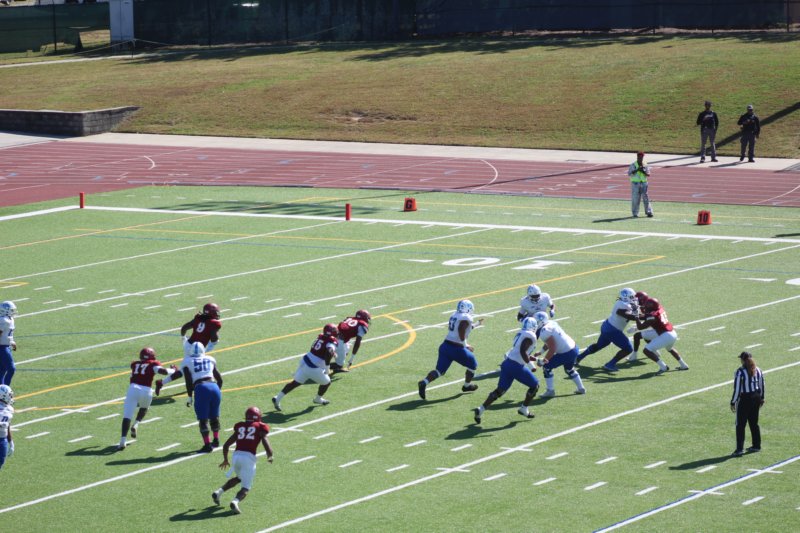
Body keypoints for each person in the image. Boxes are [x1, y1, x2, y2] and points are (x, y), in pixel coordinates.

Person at [473, 317, 539, 424]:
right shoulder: (530, 335)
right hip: (516, 366)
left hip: (507, 363)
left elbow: (522, 352)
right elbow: (522, 351)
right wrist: (531, 365)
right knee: (535, 385)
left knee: (500, 390)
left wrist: (536, 360)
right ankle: (524, 408)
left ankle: (481, 409)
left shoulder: (521, 333)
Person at [212, 406, 273, 515]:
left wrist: (225, 459)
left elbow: (226, 445)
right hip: (248, 458)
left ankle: (218, 492)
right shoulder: (260, 427)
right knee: (246, 487)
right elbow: (264, 440)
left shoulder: (240, 426)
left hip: (236, 456)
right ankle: (235, 502)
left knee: (240, 477)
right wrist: (270, 455)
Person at [418, 299, 484, 400]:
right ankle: (466, 386)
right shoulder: (466, 317)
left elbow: (465, 328)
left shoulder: (455, 315)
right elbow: (461, 330)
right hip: (456, 348)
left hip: (445, 346)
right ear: (468, 308)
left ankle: (424, 382)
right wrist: (465, 345)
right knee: (473, 364)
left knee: (439, 371)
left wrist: (477, 324)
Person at [156, 302, 222, 396]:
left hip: (189, 345)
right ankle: (163, 382)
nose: (217, 313)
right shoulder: (214, 323)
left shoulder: (198, 318)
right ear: (211, 313)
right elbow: (214, 338)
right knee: (187, 369)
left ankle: (164, 381)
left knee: (187, 368)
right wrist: (212, 345)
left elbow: (184, 328)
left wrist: (183, 338)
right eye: (216, 312)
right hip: (199, 349)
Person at [117, 347, 175, 451]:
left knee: (127, 416)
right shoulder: (153, 364)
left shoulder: (134, 364)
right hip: (146, 390)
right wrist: (174, 370)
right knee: (144, 408)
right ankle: (136, 424)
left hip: (133, 389)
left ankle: (122, 441)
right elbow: (164, 371)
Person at [272, 324, 339, 411]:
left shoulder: (321, 336)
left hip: (305, 361)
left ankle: (277, 398)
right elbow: (329, 351)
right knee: (327, 382)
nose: (337, 332)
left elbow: (323, 349)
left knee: (295, 383)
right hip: (313, 367)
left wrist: (332, 353)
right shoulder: (332, 341)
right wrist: (327, 367)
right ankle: (317, 399)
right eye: (335, 331)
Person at [575, 288, 639, 371]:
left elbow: (634, 311)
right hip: (613, 330)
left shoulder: (622, 302)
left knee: (599, 345)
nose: (634, 298)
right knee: (628, 348)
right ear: (627, 297)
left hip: (607, 326)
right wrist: (644, 316)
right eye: (632, 297)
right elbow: (630, 316)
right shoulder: (624, 305)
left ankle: (579, 357)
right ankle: (610, 364)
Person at [624, 297, 688, 373]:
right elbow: (647, 315)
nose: (645, 307)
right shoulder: (659, 308)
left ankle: (663, 366)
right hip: (672, 333)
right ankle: (683, 365)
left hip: (665, 335)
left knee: (646, 350)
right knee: (670, 349)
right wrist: (638, 311)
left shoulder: (652, 316)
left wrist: (636, 316)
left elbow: (640, 327)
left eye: (647, 306)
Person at [182, 341, 224, 453]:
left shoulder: (187, 361)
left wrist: (190, 396)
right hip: (214, 386)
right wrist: (217, 391)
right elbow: (220, 379)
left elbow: (188, 382)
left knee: (203, 419)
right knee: (214, 416)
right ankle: (216, 440)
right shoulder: (210, 359)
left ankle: (207, 445)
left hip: (201, 388)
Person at [532, 312, 586, 397]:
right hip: (574, 348)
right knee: (569, 369)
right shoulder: (551, 323)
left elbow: (552, 348)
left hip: (566, 353)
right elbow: (552, 342)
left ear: (541, 322)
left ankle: (550, 391)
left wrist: (544, 361)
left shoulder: (544, 331)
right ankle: (581, 388)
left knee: (546, 367)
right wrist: (541, 352)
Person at [731, 351, 765, 457]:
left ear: (742, 360)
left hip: (745, 399)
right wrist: (762, 398)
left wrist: (733, 401)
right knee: (754, 423)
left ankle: (739, 449)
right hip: (756, 398)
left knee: (740, 425)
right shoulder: (758, 370)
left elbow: (737, 389)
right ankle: (756, 445)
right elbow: (762, 385)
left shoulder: (740, 372)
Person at [330, 309, 371, 373]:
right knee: (340, 364)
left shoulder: (350, 318)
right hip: (338, 340)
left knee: (346, 349)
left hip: (335, 336)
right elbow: (357, 342)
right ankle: (322, 367)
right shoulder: (361, 325)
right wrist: (352, 358)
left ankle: (336, 364)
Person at [628, 151, 653, 218]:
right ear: (637, 157)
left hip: (644, 183)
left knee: (646, 198)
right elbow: (629, 174)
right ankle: (635, 213)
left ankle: (649, 212)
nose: (640, 158)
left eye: (642, 157)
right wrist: (637, 170)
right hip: (635, 184)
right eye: (639, 157)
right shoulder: (633, 165)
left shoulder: (645, 164)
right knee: (635, 198)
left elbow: (648, 174)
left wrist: (643, 171)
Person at [0, 301, 17, 386]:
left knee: (2, 370)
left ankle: (1, 389)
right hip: (2, 348)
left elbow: (7, 334)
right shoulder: (3, 320)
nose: (13, 311)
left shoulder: (10, 319)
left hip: (6, 347)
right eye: (12, 310)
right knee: (11, 369)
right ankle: (6, 388)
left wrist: (12, 342)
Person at [0, 384, 14, 470]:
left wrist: (10, 441)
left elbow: (8, 425)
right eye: (10, 395)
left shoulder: (10, 409)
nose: (11, 397)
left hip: (2, 439)